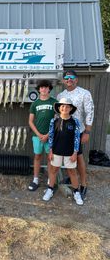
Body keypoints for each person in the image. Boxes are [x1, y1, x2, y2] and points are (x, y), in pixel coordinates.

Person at [57, 70, 94, 200]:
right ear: (63, 81)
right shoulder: (60, 95)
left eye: (71, 77)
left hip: (78, 132)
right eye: (66, 78)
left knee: (78, 158)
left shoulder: (84, 93)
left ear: (76, 79)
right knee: (67, 158)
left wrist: (87, 132)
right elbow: (58, 114)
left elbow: (90, 113)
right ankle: (72, 178)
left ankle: (83, 184)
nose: (69, 79)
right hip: (63, 132)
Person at [43, 98, 83, 206]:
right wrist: (50, 150)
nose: (65, 108)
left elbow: (77, 138)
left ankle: (76, 192)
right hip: (56, 151)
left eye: (67, 106)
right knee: (54, 170)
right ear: (59, 108)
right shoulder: (54, 121)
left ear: (70, 109)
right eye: (62, 106)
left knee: (72, 172)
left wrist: (75, 152)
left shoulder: (75, 122)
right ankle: (50, 189)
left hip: (70, 152)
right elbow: (51, 137)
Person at [28, 80, 57, 191]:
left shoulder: (54, 102)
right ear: (38, 89)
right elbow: (30, 121)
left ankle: (50, 180)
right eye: (41, 87)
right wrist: (39, 134)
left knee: (50, 158)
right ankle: (35, 179)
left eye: (46, 87)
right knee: (37, 156)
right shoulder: (35, 103)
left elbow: (57, 120)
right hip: (37, 136)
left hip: (50, 136)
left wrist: (48, 134)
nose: (44, 89)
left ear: (49, 89)